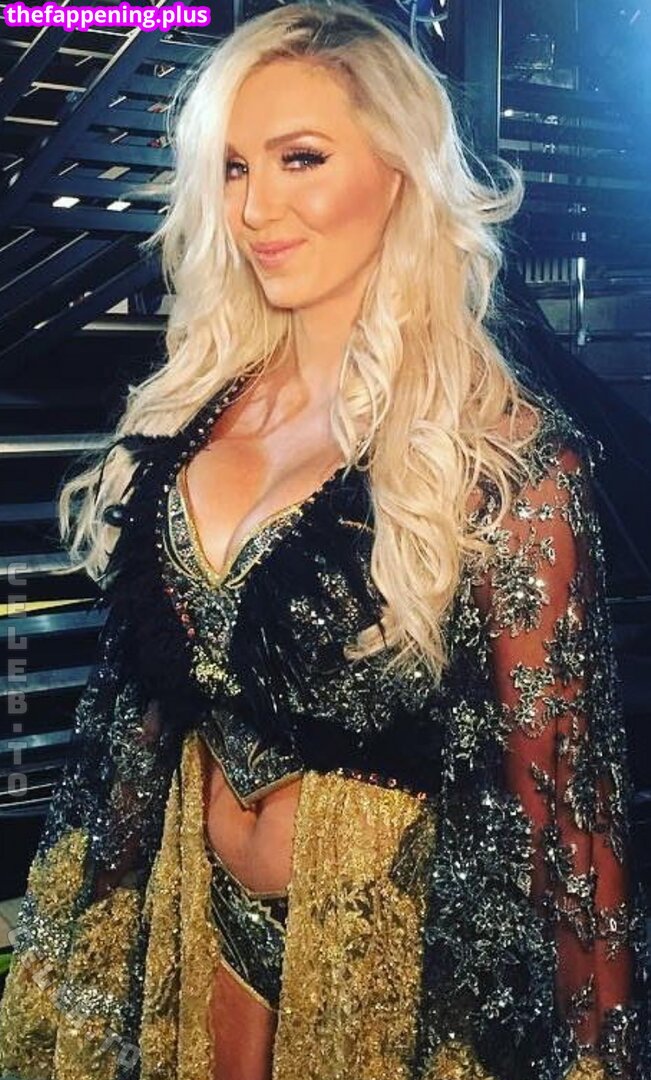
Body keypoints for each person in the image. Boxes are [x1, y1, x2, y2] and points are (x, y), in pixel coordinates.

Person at [0, 4, 649, 1079]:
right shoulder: (188, 414)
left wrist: (597, 1058)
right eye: (234, 168)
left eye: (300, 158)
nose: (257, 208)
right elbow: (138, 719)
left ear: (398, 174)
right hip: (190, 931)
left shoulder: (496, 459)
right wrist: (79, 938)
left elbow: (567, 820)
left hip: (391, 978)